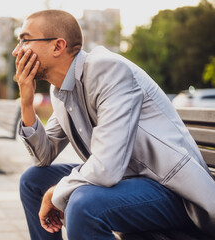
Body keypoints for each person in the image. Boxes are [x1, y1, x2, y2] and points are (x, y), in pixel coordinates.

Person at [12, 9, 215, 240]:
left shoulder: (108, 70)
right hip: (128, 182)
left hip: (172, 192)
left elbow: (106, 168)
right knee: (33, 181)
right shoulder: (60, 90)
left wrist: (56, 192)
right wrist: (27, 103)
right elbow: (42, 157)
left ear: (57, 46)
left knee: (83, 204)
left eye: (25, 40)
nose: (16, 51)